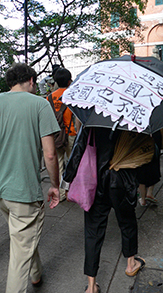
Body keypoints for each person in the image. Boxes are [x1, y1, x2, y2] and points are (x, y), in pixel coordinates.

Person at [61, 127, 145, 293]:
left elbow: (78, 149)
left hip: (96, 181)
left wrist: (67, 180)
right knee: (127, 222)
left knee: (93, 231)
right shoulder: (132, 121)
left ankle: (91, 286)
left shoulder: (93, 119)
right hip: (123, 181)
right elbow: (145, 153)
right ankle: (131, 264)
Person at [0, 63, 60, 293]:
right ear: (32, 81)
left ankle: (36, 274)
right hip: (23, 189)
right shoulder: (39, 104)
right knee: (20, 251)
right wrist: (55, 185)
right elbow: (50, 154)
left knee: (23, 235)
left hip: (2, 190)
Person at [47, 68, 82, 201]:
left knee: (58, 163)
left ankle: (61, 194)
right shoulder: (73, 94)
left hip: (56, 135)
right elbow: (77, 117)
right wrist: (79, 131)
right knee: (74, 163)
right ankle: (73, 191)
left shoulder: (49, 97)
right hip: (71, 133)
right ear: (69, 81)